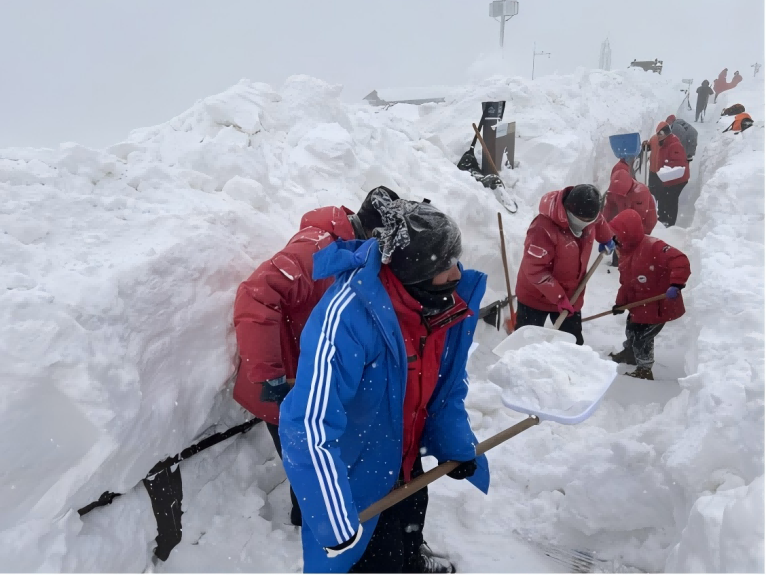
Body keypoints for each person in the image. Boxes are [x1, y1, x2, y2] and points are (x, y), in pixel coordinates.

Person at [279, 196, 489, 573]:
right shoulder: (347, 317)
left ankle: (412, 558)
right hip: (359, 474)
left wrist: (454, 442)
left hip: (406, 458)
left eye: (455, 260)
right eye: (444, 266)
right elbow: (307, 425)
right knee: (379, 558)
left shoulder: (440, 305)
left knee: (410, 528)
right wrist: (333, 519)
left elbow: (445, 387)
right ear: (415, 271)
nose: (457, 273)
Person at [232, 186, 399, 527]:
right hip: (286, 385)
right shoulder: (317, 249)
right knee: (310, 467)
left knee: (320, 461)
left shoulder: (349, 250)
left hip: (314, 379)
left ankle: (319, 521)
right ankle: (316, 530)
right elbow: (256, 296)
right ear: (375, 231)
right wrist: (270, 374)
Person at [514, 184, 615, 345]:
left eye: (589, 221)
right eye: (581, 221)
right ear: (568, 210)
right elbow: (535, 270)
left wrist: (606, 238)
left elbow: (598, 221)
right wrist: (559, 298)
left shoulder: (588, 214)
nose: (585, 224)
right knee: (526, 345)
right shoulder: (542, 229)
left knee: (573, 346)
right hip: (535, 297)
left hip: (571, 295)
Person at [607, 209, 691, 380]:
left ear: (629, 234)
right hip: (639, 306)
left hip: (659, 305)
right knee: (631, 330)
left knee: (642, 338)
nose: (615, 239)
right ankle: (630, 354)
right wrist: (620, 303)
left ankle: (644, 370)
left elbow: (680, 260)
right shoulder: (625, 251)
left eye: (619, 235)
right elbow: (627, 284)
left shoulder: (654, 247)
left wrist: (676, 283)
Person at [603, 157, 657, 267]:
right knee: (619, 243)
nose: (617, 195)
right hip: (624, 220)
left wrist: (618, 232)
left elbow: (636, 220)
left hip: (644, 223)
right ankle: (617, 264)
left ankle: (632, 265)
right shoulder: (614, 190)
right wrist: (605, 227)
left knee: (631, 246)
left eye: (620, 194)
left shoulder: (640, 193)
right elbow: (609, 207)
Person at [647, 122, 690, 227]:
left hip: (677, 179)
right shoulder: (660, 140)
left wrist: (667, 169)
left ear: (666, 133)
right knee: (662, 196)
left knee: (671, 199)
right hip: (666, 177)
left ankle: (669, 223)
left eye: (660, 134)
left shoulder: (674, 144)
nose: (658, 136)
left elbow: (679, 163)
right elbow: (651, 144)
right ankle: (662, 218)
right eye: (658, 134)